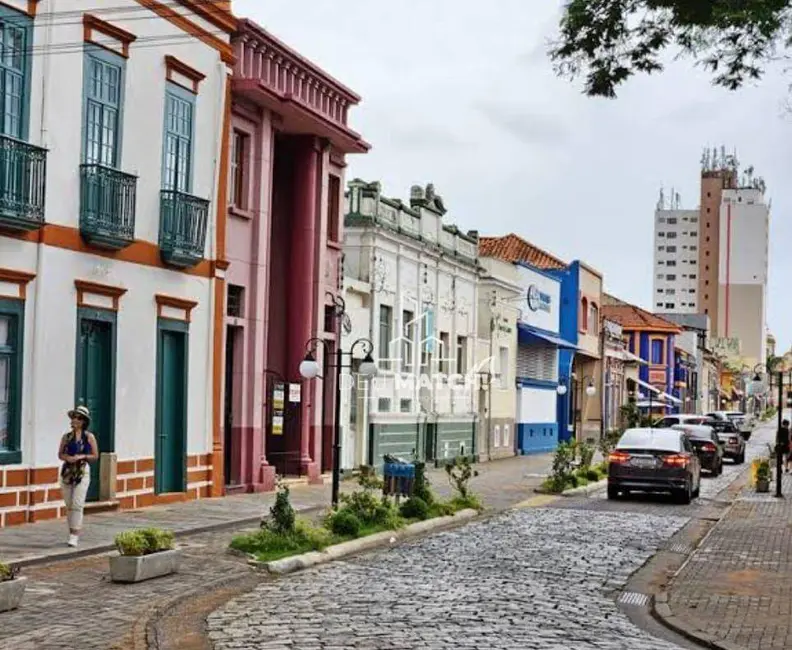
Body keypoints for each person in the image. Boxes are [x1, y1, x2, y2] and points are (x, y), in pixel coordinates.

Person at [58, 405, 99, 547]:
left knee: (77, 503)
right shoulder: (66, 437)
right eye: (74, 417)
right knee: (69, 504)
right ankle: (71, 530)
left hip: (82, 470)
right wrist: (67, 458)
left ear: (83, 422)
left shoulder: (89, 437)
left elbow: (95, 455)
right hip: (68, 471)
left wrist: (82, 456)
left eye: (79, 418)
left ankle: (74, 535)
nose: (75, 420)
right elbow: (60, 454)